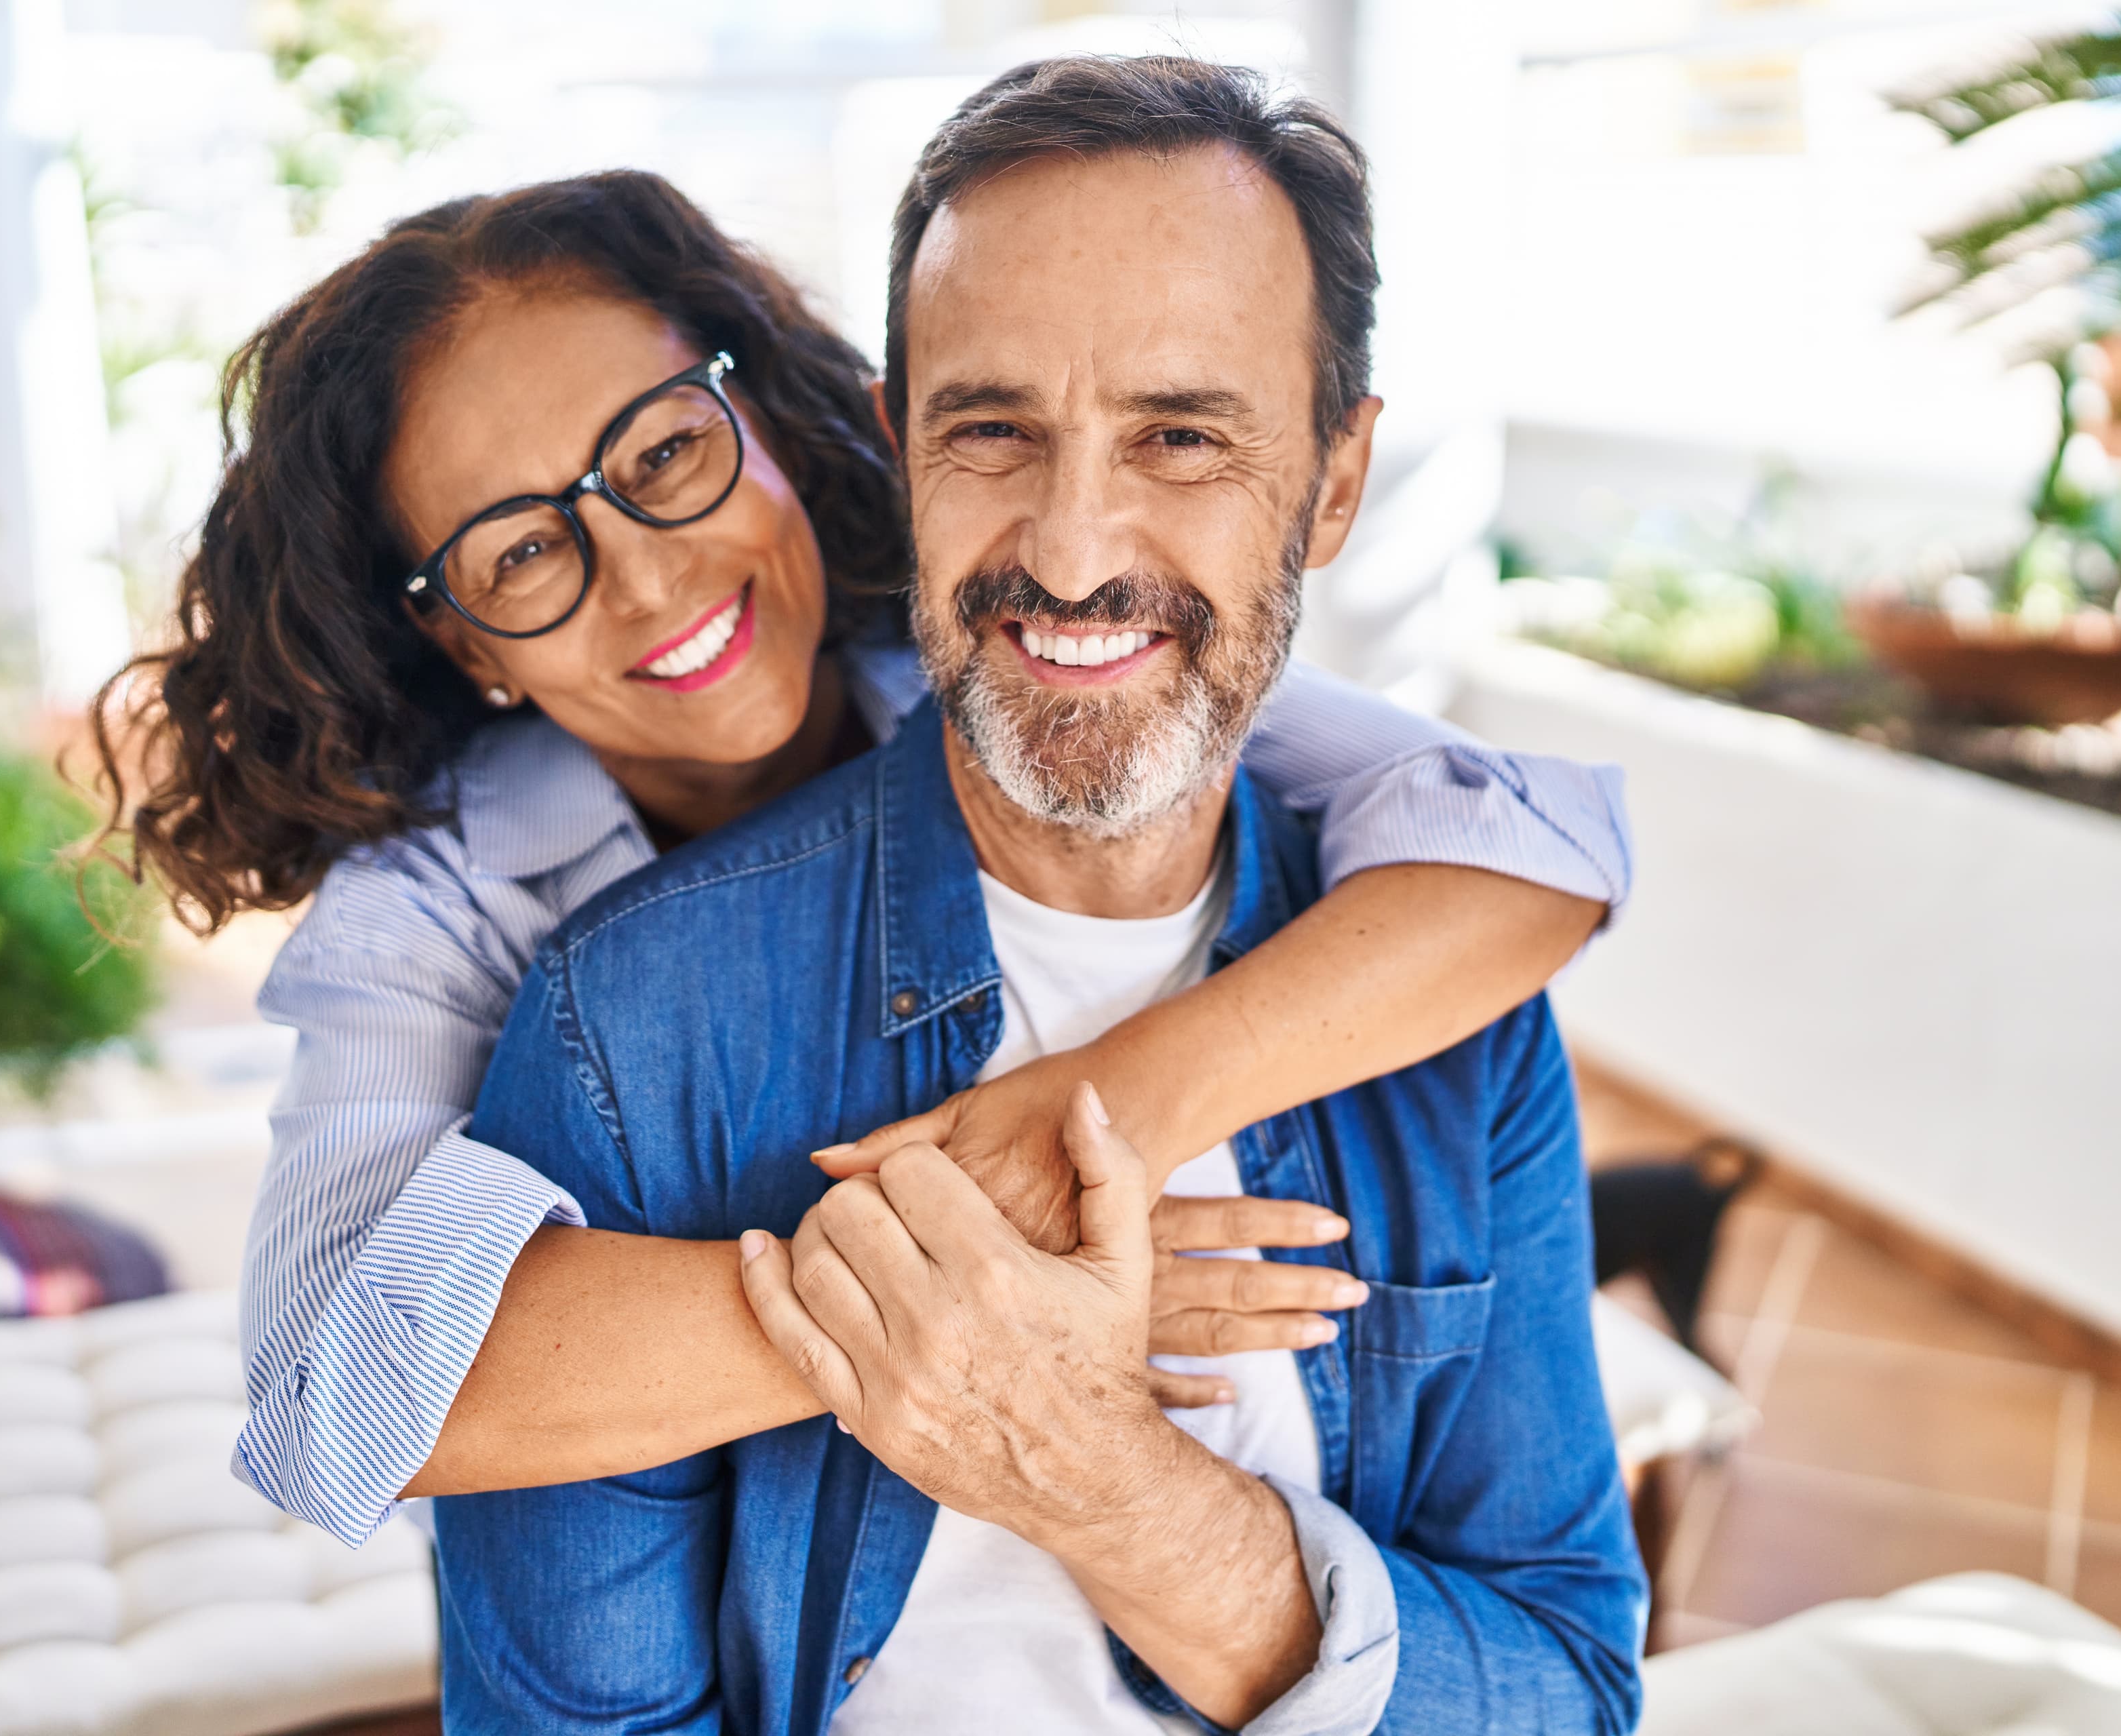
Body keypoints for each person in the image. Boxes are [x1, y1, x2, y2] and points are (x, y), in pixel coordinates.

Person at [94, 103, 1629, 1550]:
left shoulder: (1010, 646)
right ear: (465, 642)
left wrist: (1108, 1108)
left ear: (756, 410)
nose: (645, 576)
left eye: (663, 458)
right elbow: (323, 1392)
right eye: (518, 554)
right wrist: (984, 1297)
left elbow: (1529, 844)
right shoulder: (438, 906)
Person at [441, 56, 1644, 1734]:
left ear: (1336, 480)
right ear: (898, 451)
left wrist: (1097, 1477)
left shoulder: (1450, 1007)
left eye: (1182, 435)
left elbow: (1572, 1691)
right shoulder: (638, 1023)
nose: (1073, 553)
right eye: (994, 430)